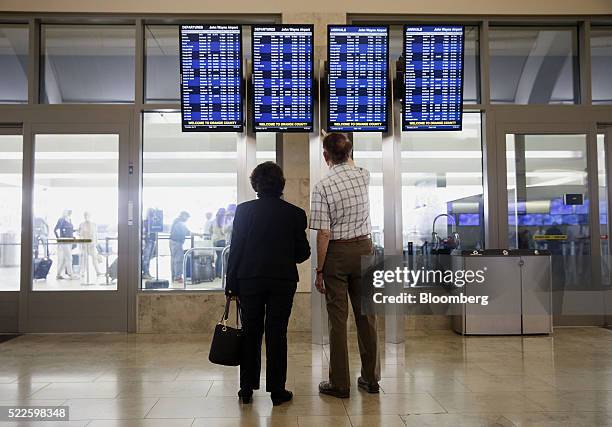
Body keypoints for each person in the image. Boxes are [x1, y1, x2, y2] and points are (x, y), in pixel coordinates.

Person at [225, 162, 310, 406]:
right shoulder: (295, 214)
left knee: (250, 332)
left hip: (249, 279)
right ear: (281, 184)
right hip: (282, 281)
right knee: (277, 333)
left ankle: (246, 388)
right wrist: (284, 255)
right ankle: (277, 390)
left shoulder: (243, 211)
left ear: (256, 185)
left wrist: (231, 286)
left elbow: (236, 251)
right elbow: (302, 252)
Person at [309, 132, 380, 398]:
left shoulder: (322, 186)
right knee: (367, 317)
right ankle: (371, 379)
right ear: (349, 154)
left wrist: (319, 270)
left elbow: (324, 233)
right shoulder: (363, 174)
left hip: (337, 254)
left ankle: (340, 383)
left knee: (338, 320)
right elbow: (347, 161)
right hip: (364, 249)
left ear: (325, 156)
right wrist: (338, 144)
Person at [169, 211, 199, 284]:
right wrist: (198, 234)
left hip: (173, 242)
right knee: (178, 260)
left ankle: (174, 276)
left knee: (174, 259)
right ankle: (178, 277)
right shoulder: (180, 223)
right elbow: (188, 232)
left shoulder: (176, 221)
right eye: (187, 217)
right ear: (183, 216)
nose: (187, 219)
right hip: (177, 243)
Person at [54, 209, 77, 280]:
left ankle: (58, 274)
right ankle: (71, 274)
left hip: (70, 241)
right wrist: (59, 238)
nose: (68, 213)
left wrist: (76, 230)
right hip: (64, 241)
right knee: (69, 258)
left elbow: (69, 230)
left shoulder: (69, 219)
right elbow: (55, 230)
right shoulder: (61, 220)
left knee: (64, 259)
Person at [78, 212, 102, 277]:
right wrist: (81, 243)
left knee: (94, 258)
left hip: (92, 245)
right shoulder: (81, 224)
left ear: (90, 216)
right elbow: (80, 234)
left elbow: (96, 234)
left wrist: (96, 243)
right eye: (85, 215)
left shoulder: (94, 224)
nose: (86, 216)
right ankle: (82, 272)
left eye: (87, 215)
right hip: (85, 244)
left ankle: (98, 272)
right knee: (84, 259)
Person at [142, 208, 158, 280]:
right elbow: (144, 232)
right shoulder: (145, 222)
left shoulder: (154, 221)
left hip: (152, 240)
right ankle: (145, 273)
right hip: (147, 241)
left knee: (148, 258)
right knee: (146, 258)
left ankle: (147, 272)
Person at [211, 208, 227, 278]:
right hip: (221, 240)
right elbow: (223, 231)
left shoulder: (213, 220)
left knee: (218, 257)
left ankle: (216, 274)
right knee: (221, 258)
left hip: (215, 240)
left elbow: (210, 230)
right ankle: (220, 274)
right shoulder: (222, 220)